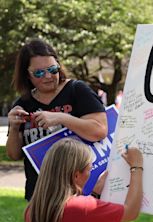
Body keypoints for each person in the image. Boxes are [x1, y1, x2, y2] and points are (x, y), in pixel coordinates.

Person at [6, 38, 108, 200]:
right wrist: (14, 127)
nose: (48, 76)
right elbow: (14, 155)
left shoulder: (76, 90)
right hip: (40, 196)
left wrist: (61, 118)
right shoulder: (22, 103)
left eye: (53, 69)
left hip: (81, 193)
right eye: (39, 72)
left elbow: (99, 131)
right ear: (27, 75)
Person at [25, 138, 143, 222]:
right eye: (89, 169)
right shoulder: (82, 207)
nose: (89, 173)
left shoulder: (33, 209)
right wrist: (136, 166)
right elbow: (131, 212)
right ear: (76, 175)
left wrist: (95, 193)